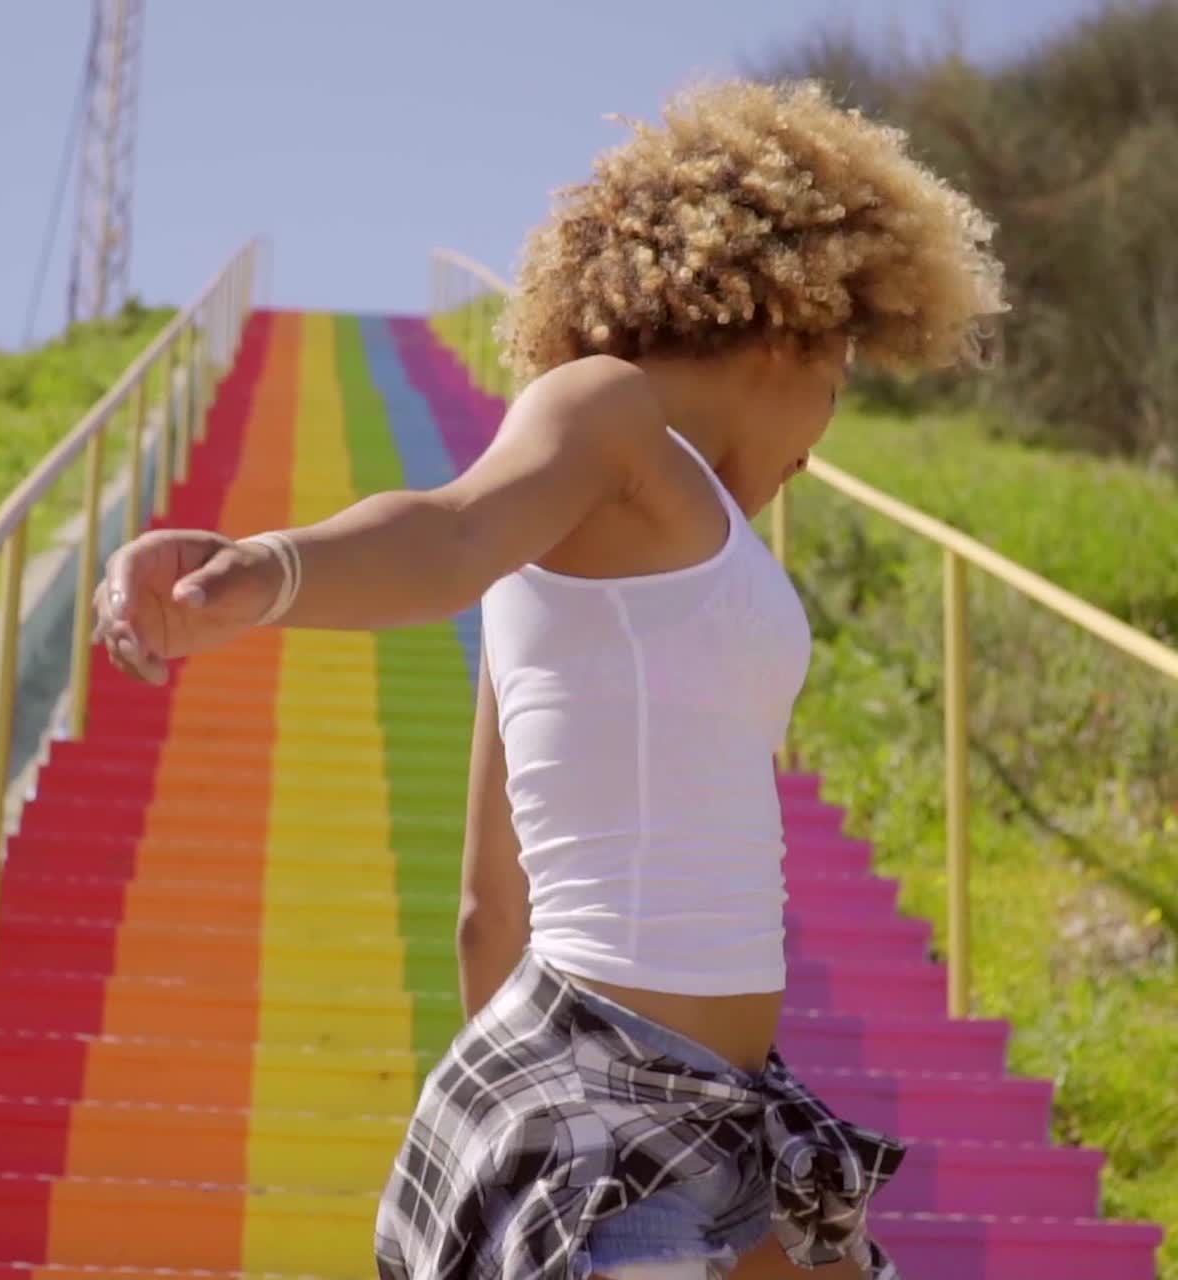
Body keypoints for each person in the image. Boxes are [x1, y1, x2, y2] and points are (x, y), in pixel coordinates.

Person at [92, 79, 1004, 1280]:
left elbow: (488, 903)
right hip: (609, 1103)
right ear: (802, 328)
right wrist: (265, 567)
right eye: (836, 389)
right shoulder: (604, 412)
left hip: (720, 1104)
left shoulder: (612, 553)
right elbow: (448, 528)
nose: (817, 443)